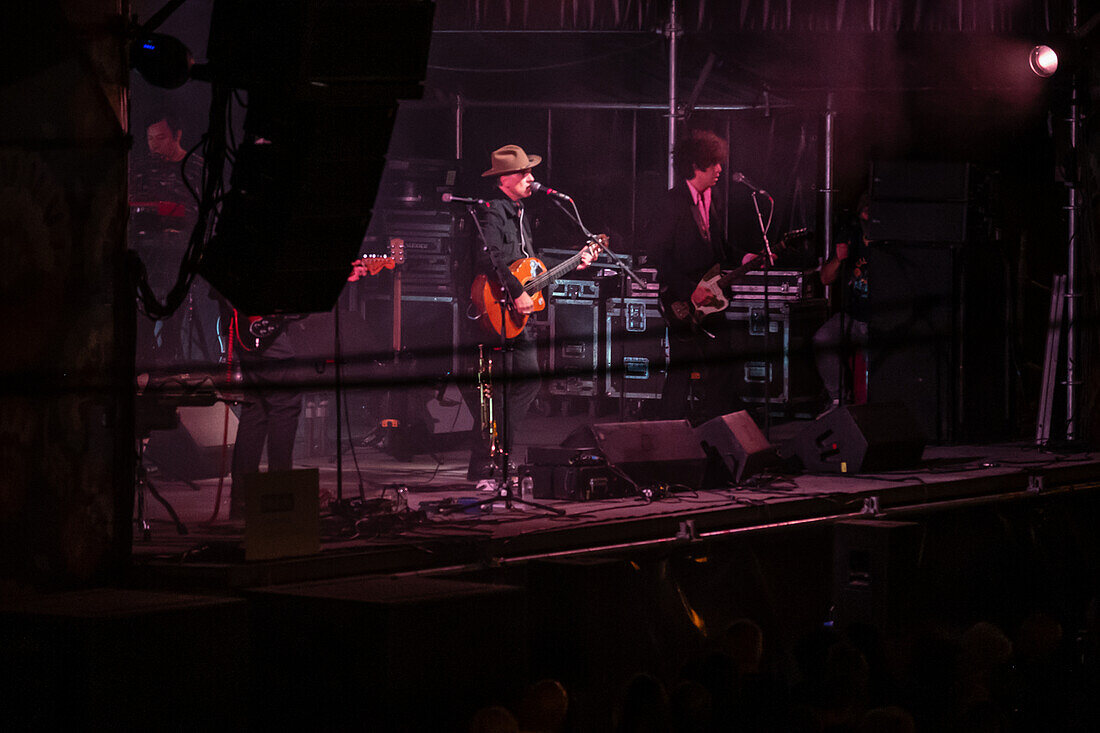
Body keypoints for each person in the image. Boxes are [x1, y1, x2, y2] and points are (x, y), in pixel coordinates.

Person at [474, 144, 599, 461]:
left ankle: (498, 453)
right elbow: (489, 257)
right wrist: (516, 291)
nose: (531, 177)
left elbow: (528, 262)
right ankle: (490, 461)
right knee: (500, 390)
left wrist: (575, 261)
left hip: (519, 317)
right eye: (524, 172)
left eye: (531, 171)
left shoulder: (519, 212)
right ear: (504, 179)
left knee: (527, 382)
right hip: (500, 307)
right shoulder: (492, 210)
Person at [647, 129, 760, 423]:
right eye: (714, 163)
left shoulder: (713, 199)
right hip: (681, 299)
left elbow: (718, 248)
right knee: (683, 367)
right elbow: (658, 255)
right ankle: (669, 428)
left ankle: (717, 425)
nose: (720, 169)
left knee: (722, 363)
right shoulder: (671, 203)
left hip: (711, 296)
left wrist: (744, 258)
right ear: (696, 166)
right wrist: (688, 290)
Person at [131, 110, 222, 370]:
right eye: (150, 139)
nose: (154, 145)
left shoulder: (196, 168)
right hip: (143, 250)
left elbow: (204, 212)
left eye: (160, 138)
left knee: (172, 304)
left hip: (178, 253)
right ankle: (143, 359)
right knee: (140, 309)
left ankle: (169, 357)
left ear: (177, 135)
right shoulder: (140, 167)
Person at [813, 195, 871, 414]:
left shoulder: (886, 241)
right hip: (851, 315)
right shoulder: (851, 237)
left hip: (876, 318)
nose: (867, 216)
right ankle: (837, 399)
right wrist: (838, 259)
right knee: (822, 339)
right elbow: (825, 279)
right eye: (864, 211)